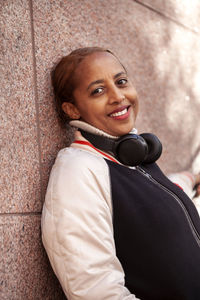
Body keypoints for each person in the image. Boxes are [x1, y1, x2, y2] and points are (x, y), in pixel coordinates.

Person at [41, 47, 200, 300]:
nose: (117, 96)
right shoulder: (79, 170)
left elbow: (152, 205)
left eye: (121, 81)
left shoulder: (133, 158)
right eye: (98, 90)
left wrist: (192, 178)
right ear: (72, 109)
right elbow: (95, 290)